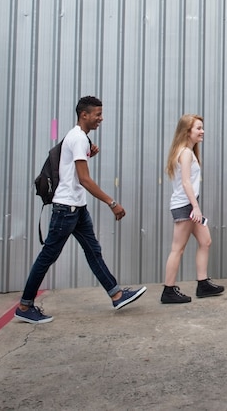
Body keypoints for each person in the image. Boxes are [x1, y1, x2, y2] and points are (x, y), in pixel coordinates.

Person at [15, 96, 147, 324]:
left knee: (93, 251)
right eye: (97, 114)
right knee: (48, 256)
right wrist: (111, 202)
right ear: (83, 114)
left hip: (77, 208)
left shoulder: (80, 139)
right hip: (66, 209)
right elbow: (84, 180)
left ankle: (116, 294)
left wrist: (88, 153)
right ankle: (25, 306)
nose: (101, 118)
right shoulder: (77, 138)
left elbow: (72, 171)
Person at [161, 114, 224, 303]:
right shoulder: (186, 153)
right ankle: (168, 291)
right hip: (185, 205)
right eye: (198, 128)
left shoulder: (185, 151)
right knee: (177, 249)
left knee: (205, 241)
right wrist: (195, 207)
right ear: (187, 131)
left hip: (188, 204)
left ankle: (203, 283)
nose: (202, 131)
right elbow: (186, 183)